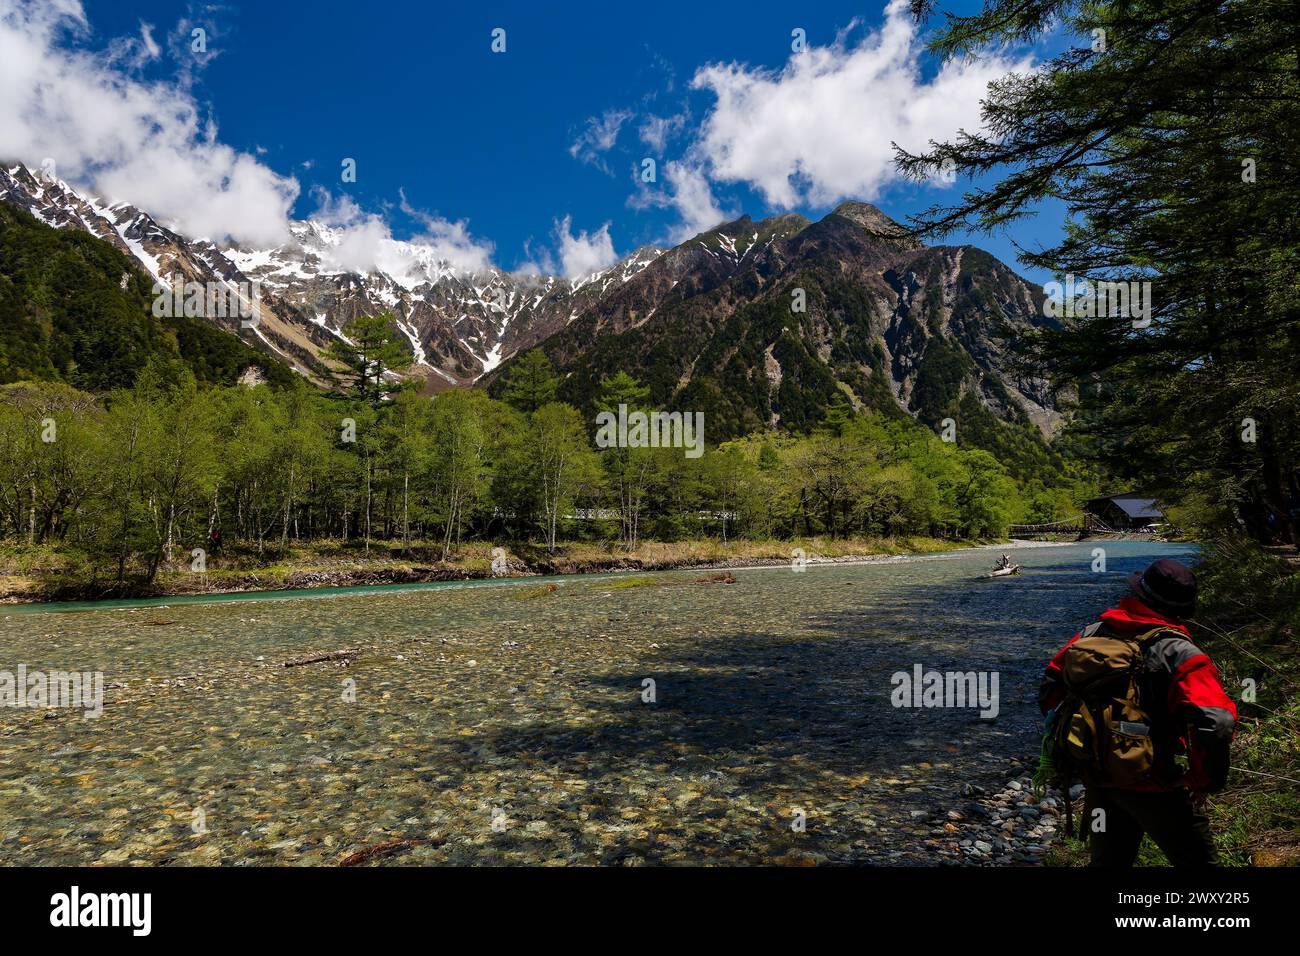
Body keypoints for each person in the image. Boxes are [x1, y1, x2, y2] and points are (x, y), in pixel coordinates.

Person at [1038, 558, 1237, 866]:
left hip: (1098, 780)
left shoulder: (1092, 633)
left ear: (1139, 593)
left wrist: (1090, 742)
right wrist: (1202, 780)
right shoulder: (1179, 652)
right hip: (1157, 783)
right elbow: (1216, 721)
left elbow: (1050, 689)